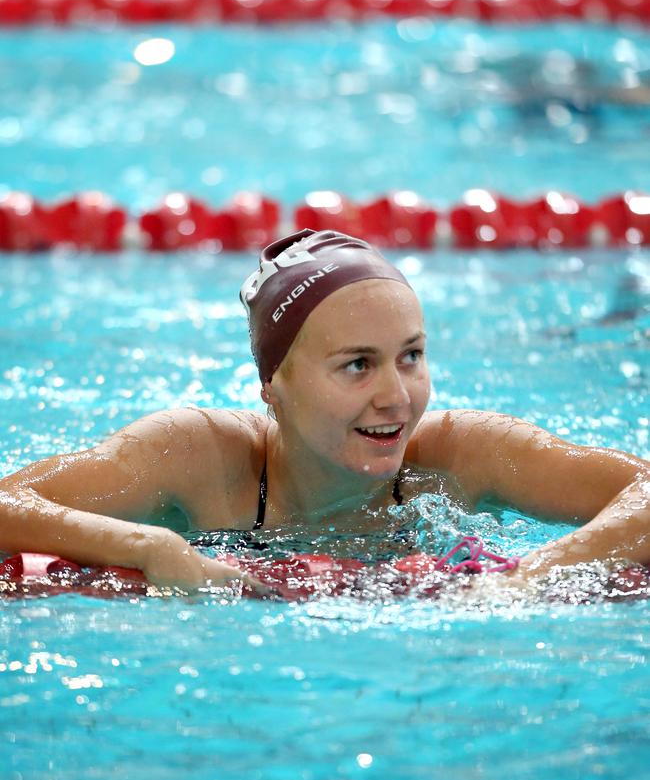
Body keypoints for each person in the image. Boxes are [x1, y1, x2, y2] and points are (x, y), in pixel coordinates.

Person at [0, 229, 648, 595]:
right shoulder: (193, 455)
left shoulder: (462, 457)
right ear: (273, 388)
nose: (397, 397)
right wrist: (146, 544)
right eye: (357, 365)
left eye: (412, 356)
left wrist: (531, 575)